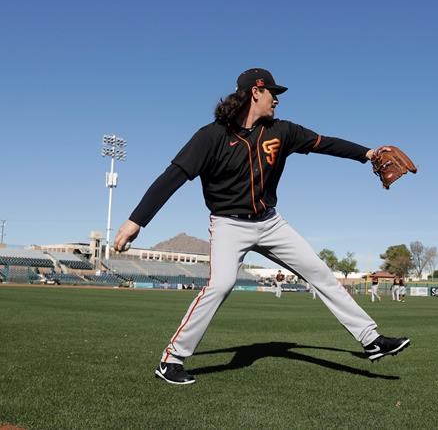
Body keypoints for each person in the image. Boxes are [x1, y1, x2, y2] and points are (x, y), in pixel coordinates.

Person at [113, 68, 410, 385]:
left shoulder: (282, 131)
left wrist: (367, 153)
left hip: (270, 222)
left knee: (319, 271)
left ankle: (371, 340)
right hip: (229, 224)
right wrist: (136, 221)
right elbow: (172, 178)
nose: (277, 100)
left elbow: (325, 143)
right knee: (221, 285)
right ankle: (171, 360)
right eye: (273, 93)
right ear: (256, 92)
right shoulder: (211, 137)